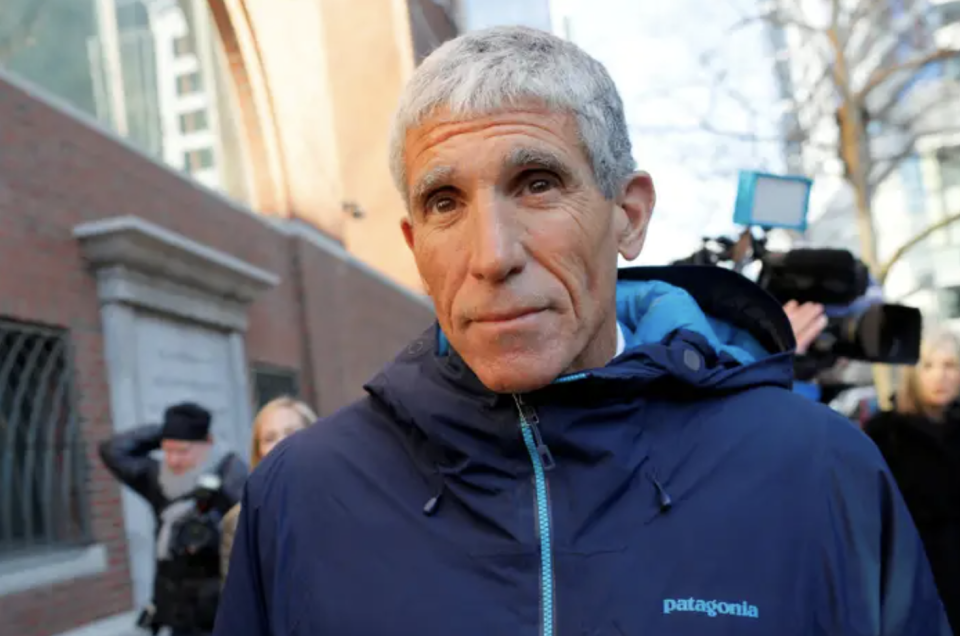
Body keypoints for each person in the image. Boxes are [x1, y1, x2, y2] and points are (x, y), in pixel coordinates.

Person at [215, 26, 947, 635]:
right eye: (445, 201)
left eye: (537, 184)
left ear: (628, 215)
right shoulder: (298, 499)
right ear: (414, 246)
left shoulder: (821, 472)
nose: (492, 254)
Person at [100, 402, 247, 636]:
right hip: (176, 612)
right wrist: (167, 429)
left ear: (207, 442)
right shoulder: (157, 478)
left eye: (183, 450)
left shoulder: (231, 475)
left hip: (221, 613)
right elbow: (112, 450)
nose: (174, 460)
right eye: (167, 449)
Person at [866, 329, 960, 632]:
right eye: (929, 365)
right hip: (909, 582)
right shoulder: (885, 435)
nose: (940, 377)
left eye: (950, 365)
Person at [219, 396, 316, 584]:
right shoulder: (240, 520)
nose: (281, 443)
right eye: (269, 438)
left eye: (291, 432)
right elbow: (239, 602)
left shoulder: (346, 498)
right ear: (259, 450)